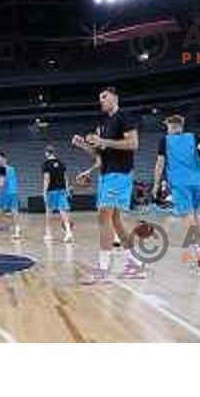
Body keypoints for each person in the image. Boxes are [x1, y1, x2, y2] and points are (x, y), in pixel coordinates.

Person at [72, 86, 143, 283]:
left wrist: (103, 140)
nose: (101, 100)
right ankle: (136, 264)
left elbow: (133, 144)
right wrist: (84, 145)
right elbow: (100, 157)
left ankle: (103, 269)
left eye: (105, 97)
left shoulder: (124, 116)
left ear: (115, 98)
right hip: (106, 174)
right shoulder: (103, 123)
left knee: (103, 216)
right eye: (100, 98)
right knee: (116, 221)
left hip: (120, 174)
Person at [153, 114, 200, 266]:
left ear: (171, 125)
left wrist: (156, 184)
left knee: (187, 216)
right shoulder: (194, 137)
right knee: (196, 212)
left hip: (179, 182)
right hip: (197, 180)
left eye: (167, 125)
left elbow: (160, 164)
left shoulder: (165, 140)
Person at [42, 146, 74, 242]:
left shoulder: (46, 164)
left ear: (47, 153)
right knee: (63, 211)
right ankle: (68, 232)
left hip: (51, 190)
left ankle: (49, 234)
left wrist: (44, 192)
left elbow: (46, 179)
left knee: (48, 212)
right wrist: (67, 190)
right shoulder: (61, 163)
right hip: (62, 190)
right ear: (54, 152)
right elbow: (65, 178)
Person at [0, 152, 21, 239]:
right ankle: (17, 231)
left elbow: (2, 183)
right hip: (14, 192)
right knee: (14, 211)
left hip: (5, 193)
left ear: (5, 160)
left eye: (0, 159)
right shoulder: (12, 168)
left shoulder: (2, 169)